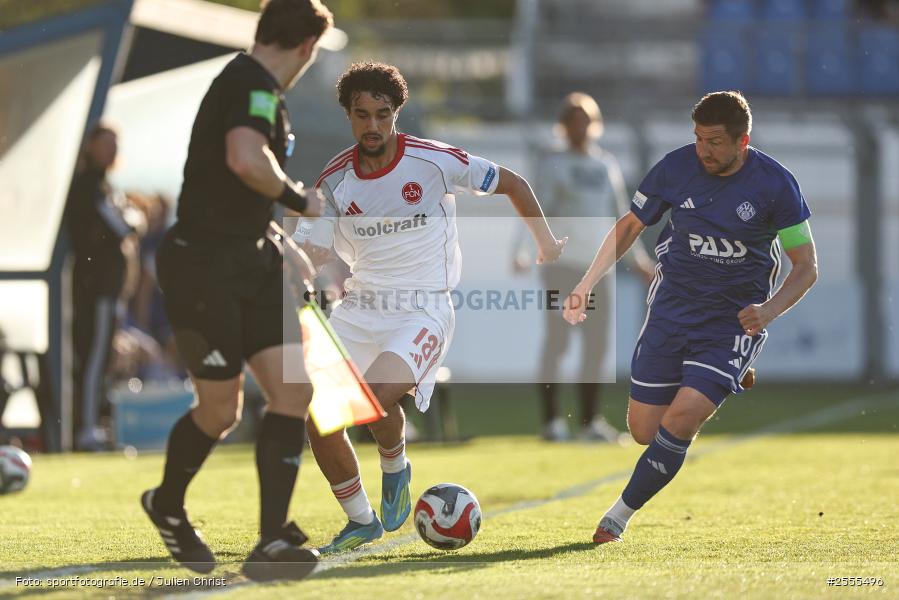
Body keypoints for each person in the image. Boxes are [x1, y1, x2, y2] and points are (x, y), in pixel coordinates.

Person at [294, 61, 566, 554]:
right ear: (349, 116)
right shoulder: (333, 180)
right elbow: (312, 248)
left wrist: (544, 241)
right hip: (360, 305)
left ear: (397, 113)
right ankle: (361, 521)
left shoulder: (434, 160)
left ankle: (394, 461)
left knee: (373, 397)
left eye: (382, 114)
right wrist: (295, 261)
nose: (372, 126)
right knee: (319, 415)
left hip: (423, 307)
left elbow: (514, 183)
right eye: (362, 115)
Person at [563, 91, 818, 544]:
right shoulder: (676, 168)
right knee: (643, 430)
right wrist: (585, 284)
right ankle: (729, 373)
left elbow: (806, 267)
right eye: (699, 138)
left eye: (716, 142)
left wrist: (769, 311)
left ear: (743, 141)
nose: (705, 150)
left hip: (732, 321)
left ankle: (617, 517)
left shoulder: (776, 185)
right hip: (671, 311)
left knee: (683, 418)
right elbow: (629, 226)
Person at [140, 0, 331, 581]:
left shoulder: (253, 86)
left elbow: (236, 191)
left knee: (292, 390)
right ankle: (166, 503)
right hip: (202, 267)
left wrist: (284, 241)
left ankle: (271, 539)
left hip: (252, 260)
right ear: (305, 48)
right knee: (220, 408)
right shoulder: (253, 84)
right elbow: (245, 160)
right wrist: (300, 200)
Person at [513, 92, 654, 443]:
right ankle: (551, 422)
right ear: (564, 126)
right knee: (557, 343)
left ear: (595, 124)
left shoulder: (606, 165)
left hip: (598, 270)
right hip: (561, 267)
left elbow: (623, 217)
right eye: (573, 121)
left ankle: (589, 422)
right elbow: (534, 209)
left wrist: (638, 260)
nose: (580, 127)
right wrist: (520, 249)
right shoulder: (552, 164)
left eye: (585, 120)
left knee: (596, 347)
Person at [66, 123, 140, 451]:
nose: (112, 150)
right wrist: (132, 218)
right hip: (94, 289)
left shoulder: (106, 186)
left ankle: (95, 424)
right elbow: (124, 225)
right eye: (106, 143)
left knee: (104, 357)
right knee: (93, 358)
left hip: (109, 290)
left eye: (116, 144)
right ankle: (85, 430)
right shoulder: (88, 185)